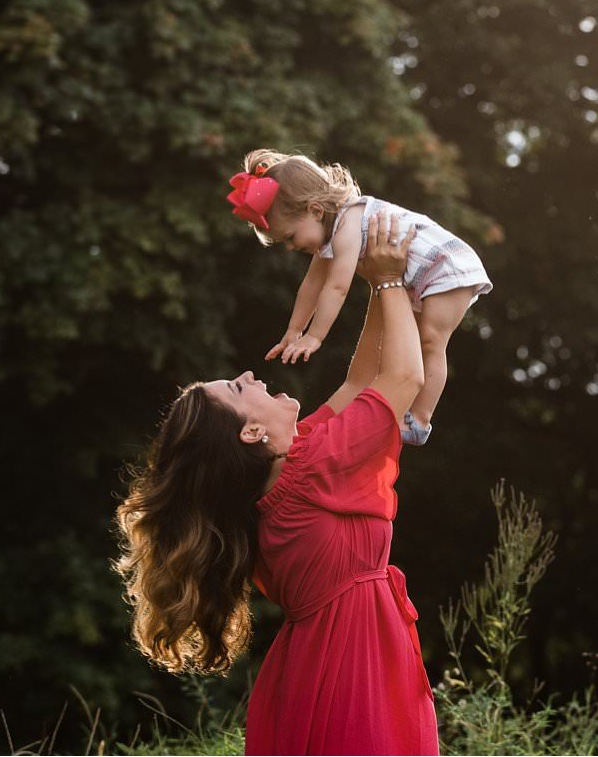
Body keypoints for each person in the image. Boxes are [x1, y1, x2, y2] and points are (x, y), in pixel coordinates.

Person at [115, 213, 439, 756]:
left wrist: (383, 280)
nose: (253, 376)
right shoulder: (314, 470)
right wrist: (387, 283)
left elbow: (361, 381)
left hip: (322, 665)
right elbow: (404, 380)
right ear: (252, 431)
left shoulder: (293, 468)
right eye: (241, 387)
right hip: (352, 672)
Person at [225, 148, 493, 445]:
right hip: (419, 276)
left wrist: (315, 337)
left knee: (430, 340)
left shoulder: (349, 221)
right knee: (414, 341)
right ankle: (409, 413)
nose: (290, 247)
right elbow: (311, 285)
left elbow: (336, 287)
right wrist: (293, 330)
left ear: (315, 210)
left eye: (290, 237)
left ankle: (420, 418)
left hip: (447, 266)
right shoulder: (329, 233)